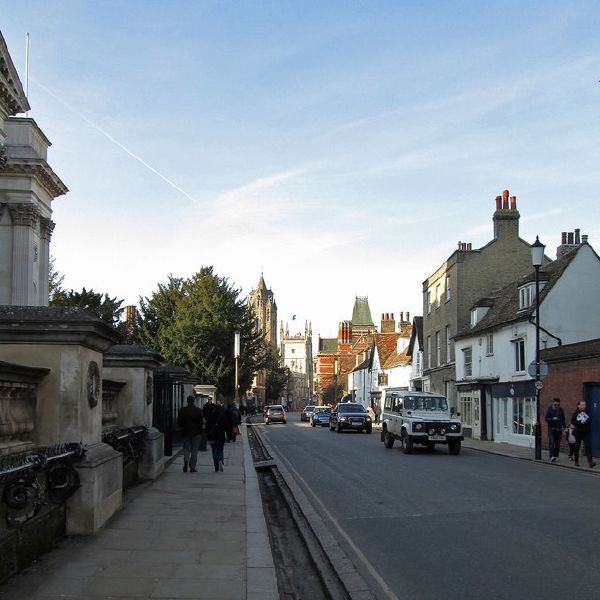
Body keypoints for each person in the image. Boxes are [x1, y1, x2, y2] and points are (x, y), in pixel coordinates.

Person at [177, 395, 203, 473]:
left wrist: (182, 428)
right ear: (194, 401)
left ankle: (186, 460)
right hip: (196, 433)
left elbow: (179, 422)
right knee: (194, 450)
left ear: (187, 401)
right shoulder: (198, 410)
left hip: (185, 432)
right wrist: (200, 431)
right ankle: (192, 466)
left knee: (186, 448)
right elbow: (200, 423)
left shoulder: (182, 410)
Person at [570, 400, 596, 468]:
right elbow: (573, 421)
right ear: (578, 405)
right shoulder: (576, 413)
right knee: (577, 446)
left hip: (586, 432)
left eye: (584, 405)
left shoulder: (587, 412)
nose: (584, 406)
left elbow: (590, 419)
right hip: (578, 432)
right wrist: (580, 422)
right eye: (582, 405)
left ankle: (590, 462)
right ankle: (576, 461)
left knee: (588, 446)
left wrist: (585, 421)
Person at [204, 400, 227, 472]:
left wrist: (207, 434)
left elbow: (207, 426)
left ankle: (216, 466)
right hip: (221, 436)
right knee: (220, 450)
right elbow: (227, 427)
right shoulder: (223, 416)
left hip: (212, 437)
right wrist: (229, 434)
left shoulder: (210, 416)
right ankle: (220, 460)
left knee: (214, 451)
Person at [544, 397, 566, 462]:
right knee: (552, 443)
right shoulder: (550, 409)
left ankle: (556, 456)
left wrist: (564, 428)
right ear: (553, 403)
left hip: (559, 430)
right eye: (555, 404)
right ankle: (552, 456)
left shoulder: (561, 410)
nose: (557, 406)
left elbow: (563, 419)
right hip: (551, 429)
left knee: (558, 444)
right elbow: (546, 418)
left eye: (558, 405)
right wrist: (552, 419)